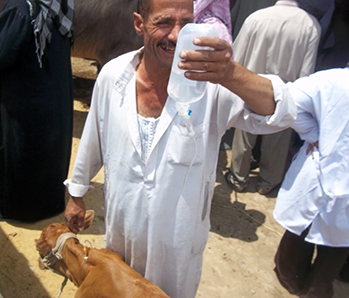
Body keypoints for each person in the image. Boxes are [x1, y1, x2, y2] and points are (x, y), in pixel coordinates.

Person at [63, 0, 296, 297]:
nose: (175, 35)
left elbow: (280, 112)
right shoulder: (112, 76)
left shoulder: (210, 86)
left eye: (186, 23)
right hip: (120, 239)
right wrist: (77, 192)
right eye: (163, 22)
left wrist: (230, 73)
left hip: (177, 255)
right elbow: (94, 136)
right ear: (138, 24)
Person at [0, 0, 74, 222]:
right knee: (48, 151)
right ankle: (47, 204)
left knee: (14, 150)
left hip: (23, 100)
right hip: (53, 97)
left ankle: (6, 206)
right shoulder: (62, 5)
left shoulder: (22, 8)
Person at [225, 0, 321, 195]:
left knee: (244, 135)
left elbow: (236, 57)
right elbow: (307, 71)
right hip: (286, 91)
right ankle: (268, 182)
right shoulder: (311, 26)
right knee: (279, 138)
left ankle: (238, 178)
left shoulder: (256, 19)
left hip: (250, 86)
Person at [273, 66, 349, 298]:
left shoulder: (334, 80)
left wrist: (313, 135)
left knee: (300, 242)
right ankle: (316, 287)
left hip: (321, 177)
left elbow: (289, 100)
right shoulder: (335, 81)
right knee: (334, 250)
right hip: (326, 182)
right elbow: (290, 100)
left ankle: (299, 283)